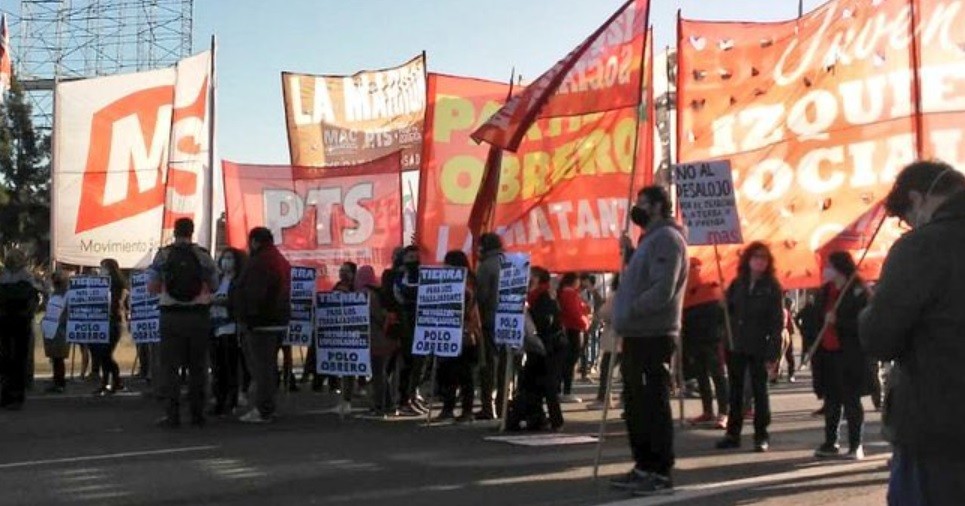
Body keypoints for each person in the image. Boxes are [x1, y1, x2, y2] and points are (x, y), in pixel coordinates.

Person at [858, 160, 965, 504]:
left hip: (939, 426)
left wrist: (870, 311)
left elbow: (879, 338)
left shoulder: (922, 247)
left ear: (918, 199)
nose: (908, 225)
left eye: (905, 217)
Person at [610, 186, 688, 497]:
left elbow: (661, 289)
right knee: (636, 404)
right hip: (638, 333)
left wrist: (628, 309)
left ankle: (659, 470)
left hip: (652, 334)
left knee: (651, 404)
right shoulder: (651, 240)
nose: (637, 208)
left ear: (657, 206)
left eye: (642, 203)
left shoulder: (667, 239)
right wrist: (630, 255)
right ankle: (644, 465)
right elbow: (645, 278)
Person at [147, 218, 219, 427]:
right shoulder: (203, 255)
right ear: (192, 232)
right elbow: (214, 284)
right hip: (198, 315)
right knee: (198, 366)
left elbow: (152, 286)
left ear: (175, 231)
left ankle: (172, 414)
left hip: (171, 315)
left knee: (170, 367)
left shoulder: (164, 255)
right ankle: (198, 413)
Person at [716, 242, 784, 453]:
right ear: (748, 259)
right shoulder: (739, 283)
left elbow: (776, 323)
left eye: (763, 257)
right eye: (755, 256)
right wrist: (723, 305)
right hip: (736, 344)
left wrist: (773, 352)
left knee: (759, 391)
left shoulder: (772, 287)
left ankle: (761, 435)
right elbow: (728, 312)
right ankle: (732, 434)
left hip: (758, 345)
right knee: (735, 391)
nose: (759, 260)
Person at [812, 252, 872, 461]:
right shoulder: (824, 291)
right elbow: (816, 320)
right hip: (827, 353)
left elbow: (864, 323)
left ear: (839, 267)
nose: (825, 269)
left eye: (828, 265)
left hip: (849, 355)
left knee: (851, 400)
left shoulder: (857, 291)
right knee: (831, 401)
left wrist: (839, 321)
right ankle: (831, 442)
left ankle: (856, 444)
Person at [233, 227, 291, 424]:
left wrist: (247, 317)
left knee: (261, 368)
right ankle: (267, 406)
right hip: (276, 320)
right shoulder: (279, 259)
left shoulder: (259, 262)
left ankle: (263, 408)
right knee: (268, 366)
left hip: (261, 323)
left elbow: (254, 294)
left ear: (255, 241)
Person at [507, 266, 566, 431]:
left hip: (550, 347)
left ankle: (556, 421)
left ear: (537, 279)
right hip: (539, 346)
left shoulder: (544, 296)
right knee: (529, 382)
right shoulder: (535, 296)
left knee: (548, 385)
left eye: (530, 276)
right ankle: (535, 417)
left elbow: (545, 322)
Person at [433, 250, 480, 423]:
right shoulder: (467, 281)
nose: (444, 268)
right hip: (453, 331)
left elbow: (467, 303)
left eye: (447, 264)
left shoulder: (467, 283)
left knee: (462, 373)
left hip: (465, 332)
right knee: (450, 372)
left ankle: (464, 411)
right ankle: (450, 409)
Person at [0, 249, 41, 410]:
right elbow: (34, 302)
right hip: (20, 322)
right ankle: (14, 394)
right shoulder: (27, 278)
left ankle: (10, 394)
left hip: (8, 322)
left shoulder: (5, 277)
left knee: (10, 359)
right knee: (16, 359)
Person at [209, 248, 246, 417]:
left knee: (231, 367)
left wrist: (226, 302)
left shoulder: (240, 281)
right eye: (224, 258)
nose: (226, 262)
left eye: (230, 258)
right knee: (218, 368)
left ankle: (232, 400)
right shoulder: (218, 279)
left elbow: (239, 302)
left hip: (231, 328)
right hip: (215, 327)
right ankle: (219, 400)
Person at [683, 299, 728, 430]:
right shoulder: (691, 294)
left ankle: (723, 412)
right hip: (695, 340)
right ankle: (707, 411)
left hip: (713, 340)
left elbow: (724, 317)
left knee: (718, 376)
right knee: (701, 376)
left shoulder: (716, 296)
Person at [357, 265, 392, 418]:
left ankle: (379, 406)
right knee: (382, 373)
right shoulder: (378, 291)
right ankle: (387, 404)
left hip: (374, 338)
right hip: (384, 338)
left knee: (378, 374)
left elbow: (374, 316)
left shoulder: (365, 295)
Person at [474, 232, 503, 420]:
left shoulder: (486, 266)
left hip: (489, 321)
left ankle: (487, 406)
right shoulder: (509, 262)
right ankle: (503, 405)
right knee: (506, 366)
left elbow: (481, 296)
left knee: (488, 365)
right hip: (509, 322)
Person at [394, 245, 425, 416]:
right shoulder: (399, 275)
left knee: (420, 363)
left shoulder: (422, 274)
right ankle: (403, 399)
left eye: (416, 257)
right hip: (406, 323)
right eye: (410, 257)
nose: (414, 260)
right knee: (407, 363)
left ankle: (413, 396)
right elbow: (400, 295)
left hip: (421, 322)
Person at [92, 258, 128, 396]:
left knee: (106, 354)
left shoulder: (118, 285)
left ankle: (116, 382)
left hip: (113, 322)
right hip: (104, 322)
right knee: (103, 354)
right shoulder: (105, 284)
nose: (101, 271)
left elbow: (119, 302)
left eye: (103, 268)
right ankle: (107, 383)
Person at [588, 275, 622, 411]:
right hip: (628, 337)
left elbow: (604, 313)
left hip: (614, 338)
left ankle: (604, 398)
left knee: (606, 369)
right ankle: (624, 398)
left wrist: (600, 310)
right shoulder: (633, 292)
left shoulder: (616, 296)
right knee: (626, 370)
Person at [557, 272, 590, 403]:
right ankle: (566, 391)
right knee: (570, 362)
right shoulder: (569, 294)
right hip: (573, 329)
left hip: (570, 328)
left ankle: (562, 390)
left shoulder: (565, 293)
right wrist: (585, 323)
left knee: (566, 361)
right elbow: (575, 313)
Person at [795, 292, 826, 416]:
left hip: (819, 337)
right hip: (816, 337)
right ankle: (826, 401)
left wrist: (801, 328)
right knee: (820, 373)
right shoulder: (818, 303)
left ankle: (831, 403)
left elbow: (797, 318)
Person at [41, 270, 70, 394]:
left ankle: (60, 383)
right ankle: (56, 381)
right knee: (54, 357)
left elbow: (67, 311)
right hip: (50, 328)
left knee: (59, 358)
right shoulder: (53, 294)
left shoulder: (68, 294)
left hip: (61, 329)